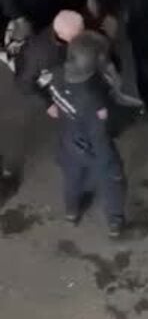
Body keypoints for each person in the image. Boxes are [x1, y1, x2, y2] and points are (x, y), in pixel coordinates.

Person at [48, 31, 126, 237]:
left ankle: (72, 211)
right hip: (95, 144)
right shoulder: (94, 95)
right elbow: (104, 126)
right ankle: (115, 221)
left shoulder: (56, 74)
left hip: (68, 138)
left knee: (72, 177)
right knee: (113, 177)